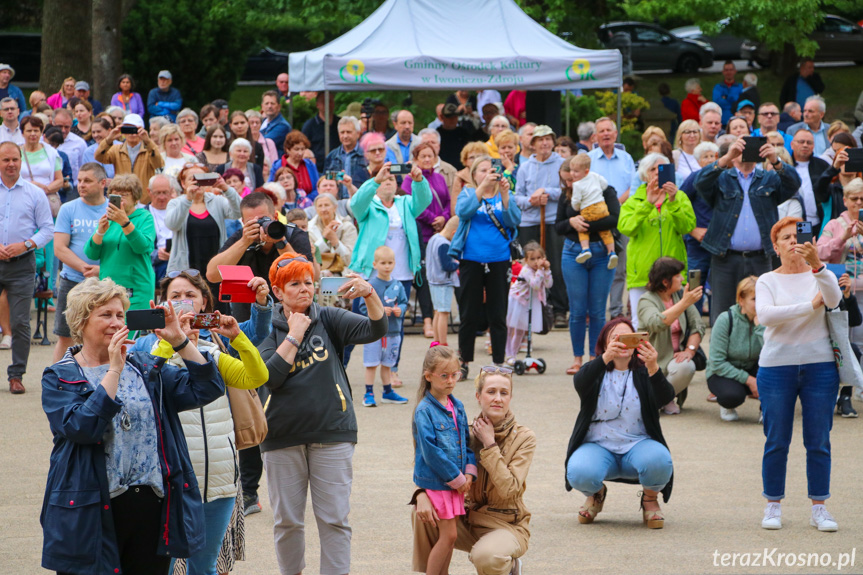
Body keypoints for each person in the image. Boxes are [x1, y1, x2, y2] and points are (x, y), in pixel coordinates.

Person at [40, 277, 223, 574]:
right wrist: (114, 369)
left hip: (151, 505)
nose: (116, 322)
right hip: (91, 508)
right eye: (105, 315)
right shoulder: (59, 376)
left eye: (120, 315)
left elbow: (207, 388)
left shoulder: (143, 365)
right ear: (81, 321)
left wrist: (179, 340)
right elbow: (82, 428)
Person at [131, 270, 271, 575]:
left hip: (219, 480)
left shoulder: (213, 352)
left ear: (204, 303)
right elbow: (149, 379)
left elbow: (258, 377)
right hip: (171, 484)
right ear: (161, 306)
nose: (183, 303)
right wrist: (174, 341)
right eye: (175, 297)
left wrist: (238, 336)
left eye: (190, 295)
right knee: (163, 568)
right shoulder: (146, 351)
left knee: (205, 569)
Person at [258, 252, 386, 574]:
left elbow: (376, 328)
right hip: (281, 438)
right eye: (295, 284)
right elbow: (271, 378)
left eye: (309, 282)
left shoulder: (328, 318)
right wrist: (294, 333)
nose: (305, 289)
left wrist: (369, 293)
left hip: (332, 432)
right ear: (277, 291)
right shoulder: (266, 327)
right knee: (287, 522)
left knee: (334, 520)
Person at [755, 216, 842, 532]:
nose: (794, 241)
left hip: (820, 367)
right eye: (787, 237)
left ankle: (819, 507)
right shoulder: (767, 280)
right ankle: (773, 504)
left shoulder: (820, 274)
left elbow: (832, 300)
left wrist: (818, 265)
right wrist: (809, 306)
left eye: (799, 236)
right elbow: (765, 315)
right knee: (776, 439)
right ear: (776, 246)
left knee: (818, 439)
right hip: (777, 368)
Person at [412, 359, 535, 575]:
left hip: (506, 526)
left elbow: (510, 489)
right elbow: (431, 466)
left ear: (510, 398)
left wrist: (489, 444)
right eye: (491, 391)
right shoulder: (464, 433)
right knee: (421, 513)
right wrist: (420, 494)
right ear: (479, 397)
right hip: (468, 519)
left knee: (487, 557)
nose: (497, 398)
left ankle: (510, 566)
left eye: (504, 393)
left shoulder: (524, 438)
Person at [565, 317, 674, 529]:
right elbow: (579, 381)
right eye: (616, 338)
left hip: (638, 444)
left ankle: (650, 499)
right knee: (579, 471)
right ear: (605, 343)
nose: (623, 344)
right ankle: (596, 494)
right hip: (597, 446)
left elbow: (665, 397)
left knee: (660, 461)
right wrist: (606, 357)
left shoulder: (644, 373)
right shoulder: (596, 370)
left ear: (638, 344)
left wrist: (653, 366)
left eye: (629, 339)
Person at [695, 132, 801, 324]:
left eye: (753, 146)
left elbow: (794, 183)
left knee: (762, 310)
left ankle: (760, 352)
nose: (748, 150)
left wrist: (775, 160)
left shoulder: (768, 178)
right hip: (725, 257)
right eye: (743, 146)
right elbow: (699, 182)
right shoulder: (723, 178)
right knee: (723, 313)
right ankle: (722, 353)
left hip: (760, 257)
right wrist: (727, 157)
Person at [450, 156, 521, 375]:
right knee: (469, 312)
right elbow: (462, 212)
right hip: (471, 259)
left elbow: (514, 220)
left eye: (491, 170)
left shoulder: (503, 194)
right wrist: (481, 187)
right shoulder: (469, 193)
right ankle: (464, 361)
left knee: (498, 312)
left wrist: (506, 194)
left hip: (499, 260)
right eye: (482, 170)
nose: (488, 173)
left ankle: (498, 362)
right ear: (474, 175)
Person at [412, 345, 478, 575]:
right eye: (444, 376)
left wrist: (469, 472)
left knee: (448, 538)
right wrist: (457, 478)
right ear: (428, 376)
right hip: (440, 484)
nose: (450, 381)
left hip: (455, 483)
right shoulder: (425, 411)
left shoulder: (457, 406)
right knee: (449, 535)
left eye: (455, 375)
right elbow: (431, 453)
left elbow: (466, 444)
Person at [618, 153, 696, 330]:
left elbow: (687, 227)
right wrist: (647, 204)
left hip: (673, 273)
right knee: (642, 324)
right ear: (645, 176)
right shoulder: (634, 201)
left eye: (662, 168)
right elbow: (626, 228)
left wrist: (673, 202)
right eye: (653, 169)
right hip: (642, 274)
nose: (657, 173)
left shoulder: (680, 197)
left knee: (676, 323)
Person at [0, 141, 54, 394]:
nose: (11, 164)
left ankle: (16, 375)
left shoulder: (35, 193)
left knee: (21, 322)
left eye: (15, 159)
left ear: (21, 160)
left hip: (22, 264)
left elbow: (47, 229)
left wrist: (27, 244)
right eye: (5, 160)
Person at [52, 163, 108, 362]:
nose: (81, 185)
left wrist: (101, 270)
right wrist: (85, 268)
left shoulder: (113, 209)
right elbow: (59, 248)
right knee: (66, 337)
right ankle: (57, 383)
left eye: (87, 181)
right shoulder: (68, 208)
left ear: (103, 183)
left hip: (105, 284)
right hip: (72, 281)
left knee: (104, 338)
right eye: (79, 180)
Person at [637, 257, 705, 415]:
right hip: (652, 363)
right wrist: (684, 303)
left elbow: (698, 325)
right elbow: (656, 323)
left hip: (675, 359)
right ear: (665, 281)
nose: (682, 279)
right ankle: (658, 399)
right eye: (678, 276)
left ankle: (663, 399)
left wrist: (690, 350)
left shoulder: (680, 296)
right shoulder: (646, 300)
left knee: (687, 365)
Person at [514, 125, 567, 326]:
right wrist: (531, 201)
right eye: (540, 140)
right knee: (529, 265)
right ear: (533, 144)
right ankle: (529, 306)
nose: (544, 143)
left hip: (553, 220)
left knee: (554, 264)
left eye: (548, 139)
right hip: (529, 221)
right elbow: (517, 196)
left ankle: (560, 308)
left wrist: (547, 192)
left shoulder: (561, 164)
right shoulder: (525, 167)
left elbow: (566, 189)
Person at [165, 164, 241, 298]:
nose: (197, 183)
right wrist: (188, 199)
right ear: (183, 183)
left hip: (215, 267)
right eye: (192, 179)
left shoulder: (217, 201)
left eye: (201, 179)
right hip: (187, 267)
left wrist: (226, 189)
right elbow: (172, 224)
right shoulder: (176, 203)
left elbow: (238, 212)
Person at [83, 173, 155, 311]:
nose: (119, 199)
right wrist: (100, 232)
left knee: (134, 330)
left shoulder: (145, 217)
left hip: (136, 289)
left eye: (124, 195)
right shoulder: (108, 219)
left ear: (135, 197)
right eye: (115, 195)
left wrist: (125, 222)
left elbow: (142, 247)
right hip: (108, 288)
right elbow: (91, 254)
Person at [588, 117, 635, 319]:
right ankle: (595, 311)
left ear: (616, 134)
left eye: (609, 130)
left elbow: (632, 187)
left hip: (621, 217)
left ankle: (616, 311)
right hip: (596, 219)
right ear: (596, 136)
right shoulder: (589, 158)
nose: (606, 134)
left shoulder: (626, 158)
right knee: (594, 265)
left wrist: (615, 203)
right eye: (602, 131)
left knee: (619, 268)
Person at [403, 142, 451, 337]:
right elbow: (412, 203)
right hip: (421, 232)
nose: (427, 159)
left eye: (430, 156)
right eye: (422, 156)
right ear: (416, 159)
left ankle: (439, 316)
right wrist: (432, 219)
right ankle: (427, 321)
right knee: (423, 276)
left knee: (437, 276)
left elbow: (447, 201)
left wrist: (444, 218)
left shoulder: (439, 177)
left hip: (439, 234)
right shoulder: (409, 180)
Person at [706, 276, 763, 421]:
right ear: (741, 300)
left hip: (753, 366)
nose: (760, 303)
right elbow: (717, 362)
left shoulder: (767, 320)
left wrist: (760, 328)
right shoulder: (725, 319)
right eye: (755, 299)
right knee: (731, 396)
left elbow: (775, 354)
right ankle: (727, 405)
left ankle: (766, 410)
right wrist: (749, 380)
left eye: (763, 298)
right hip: (723, 372)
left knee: (777, 377)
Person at [359, 245, 410, 406]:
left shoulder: (398, 285)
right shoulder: (370, 285)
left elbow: (403, 302)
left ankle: (387, 392)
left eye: (390, 262)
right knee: (371, 363)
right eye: (383, 263)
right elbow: (362, 307)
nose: (387, 266)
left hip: (393, 331)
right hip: (374, 332)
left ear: (395, 263)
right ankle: (368, 392)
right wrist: (380, 309)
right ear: (375, 265)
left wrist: (399, 310)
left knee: (388, 363)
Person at [95, 113, 164, 203]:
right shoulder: (116, 149)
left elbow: (158, 163)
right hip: (122, 199)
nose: (132, 133)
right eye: (128, 129)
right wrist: (109, 139)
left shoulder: (150, 150)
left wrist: (148, 141)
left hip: (144, 200)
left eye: (135, 129)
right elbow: (99, 157)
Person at [505, 241, 552, 365]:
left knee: (521, 330)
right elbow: (535, 284)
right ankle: (509, 354)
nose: (536, 262)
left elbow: (548, 284)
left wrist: (546, 271)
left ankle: (514, 355)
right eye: (532, 259)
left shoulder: (541, 270)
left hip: (530, 302)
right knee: (510, 328)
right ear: (526, 260)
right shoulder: (526, 270)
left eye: (539, 258)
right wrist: (541, 270)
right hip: (517, 300)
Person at [568, 154, 618, 268]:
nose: (572, 174)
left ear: (585, 172)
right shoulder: (595, 175)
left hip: (588, 209)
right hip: (602, 207)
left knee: (583, 229)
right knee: (605, 231)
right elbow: (604, 184)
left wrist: (576, 208)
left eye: (576, 171)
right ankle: (612, 252)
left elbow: (576, 202)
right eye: (571, 170)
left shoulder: (577, 184)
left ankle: (585, 249)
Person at [426, 216, 460, 346]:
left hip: (433, 281)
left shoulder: (434, 239)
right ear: (454, 233)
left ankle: (436, 340)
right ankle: (443, 342)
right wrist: (458, 263)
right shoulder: (444, 244)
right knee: (444, 312)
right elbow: (447, 266)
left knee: (437, 311)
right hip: (443, 282)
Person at [790, 129, 830, 230]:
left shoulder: (822, 165)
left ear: (813, 146)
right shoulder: (786, 166)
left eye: (809, 142)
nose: (805, 145)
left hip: (818, 221)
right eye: (801, 142)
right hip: (792, 221)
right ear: (792, 145)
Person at [308, 192, 357, 273]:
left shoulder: (348, 227)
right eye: (320, 206)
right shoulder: (309, 228)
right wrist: (324, 239)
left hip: (343, 274)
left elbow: (350, 260)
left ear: (335, 207)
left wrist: (335, 241)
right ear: (316, 209)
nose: (323, 209)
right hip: (319, 274)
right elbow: (310, 256)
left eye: (327, 205)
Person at [324, 115, 368, 193]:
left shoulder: (367, 155)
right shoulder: (332, 157)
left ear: (358, 134)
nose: (345, 136)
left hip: (360, 200)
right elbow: (326, 179)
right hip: (337, 201)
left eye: (349, 132)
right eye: (342, 132)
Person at [268, 130, 320, 196]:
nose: (300, 153)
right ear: (288, 149)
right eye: (296, 149)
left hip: (309, 203)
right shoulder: (277, 166)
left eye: (303, 149)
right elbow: (271, 188)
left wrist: (306, 200)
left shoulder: (310, 165)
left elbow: (317, 187)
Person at [302, 91, 339, 166]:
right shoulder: (309, 126)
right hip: (317, 169)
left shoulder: (340, 123)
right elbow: (303, 148)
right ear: (317, 105)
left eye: (330, 101)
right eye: (324, 101)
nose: (328, 104)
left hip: (338, 168)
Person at [713, 61, 742, 125]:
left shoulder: (740, 87)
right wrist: (732, 100)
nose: (728, 72)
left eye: (731, 70)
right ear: (723, 72)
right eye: (726, 70)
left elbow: (739, 103)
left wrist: (726, 97)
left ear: (735, 71)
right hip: (722, 122)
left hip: (737, 121)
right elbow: (717, 103)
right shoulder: (718, 87)